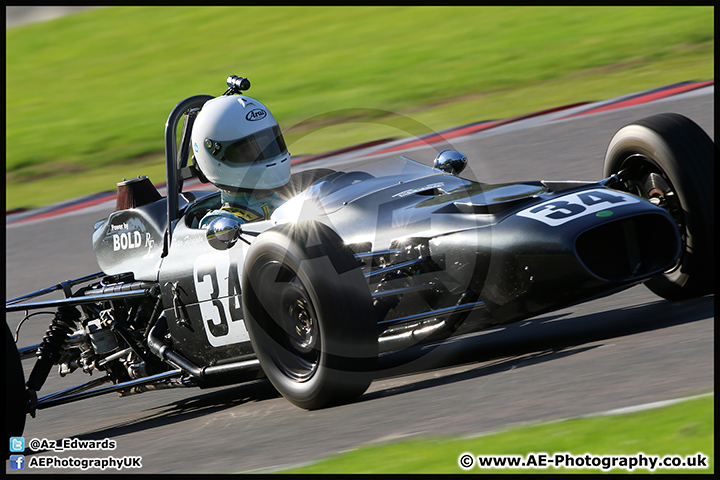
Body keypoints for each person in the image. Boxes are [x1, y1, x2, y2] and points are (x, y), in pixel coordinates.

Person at [190, 94, 291, 229]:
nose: (265, 155)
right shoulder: (221, 224)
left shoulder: (292, 197)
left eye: (270, 145)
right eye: (250, 151)